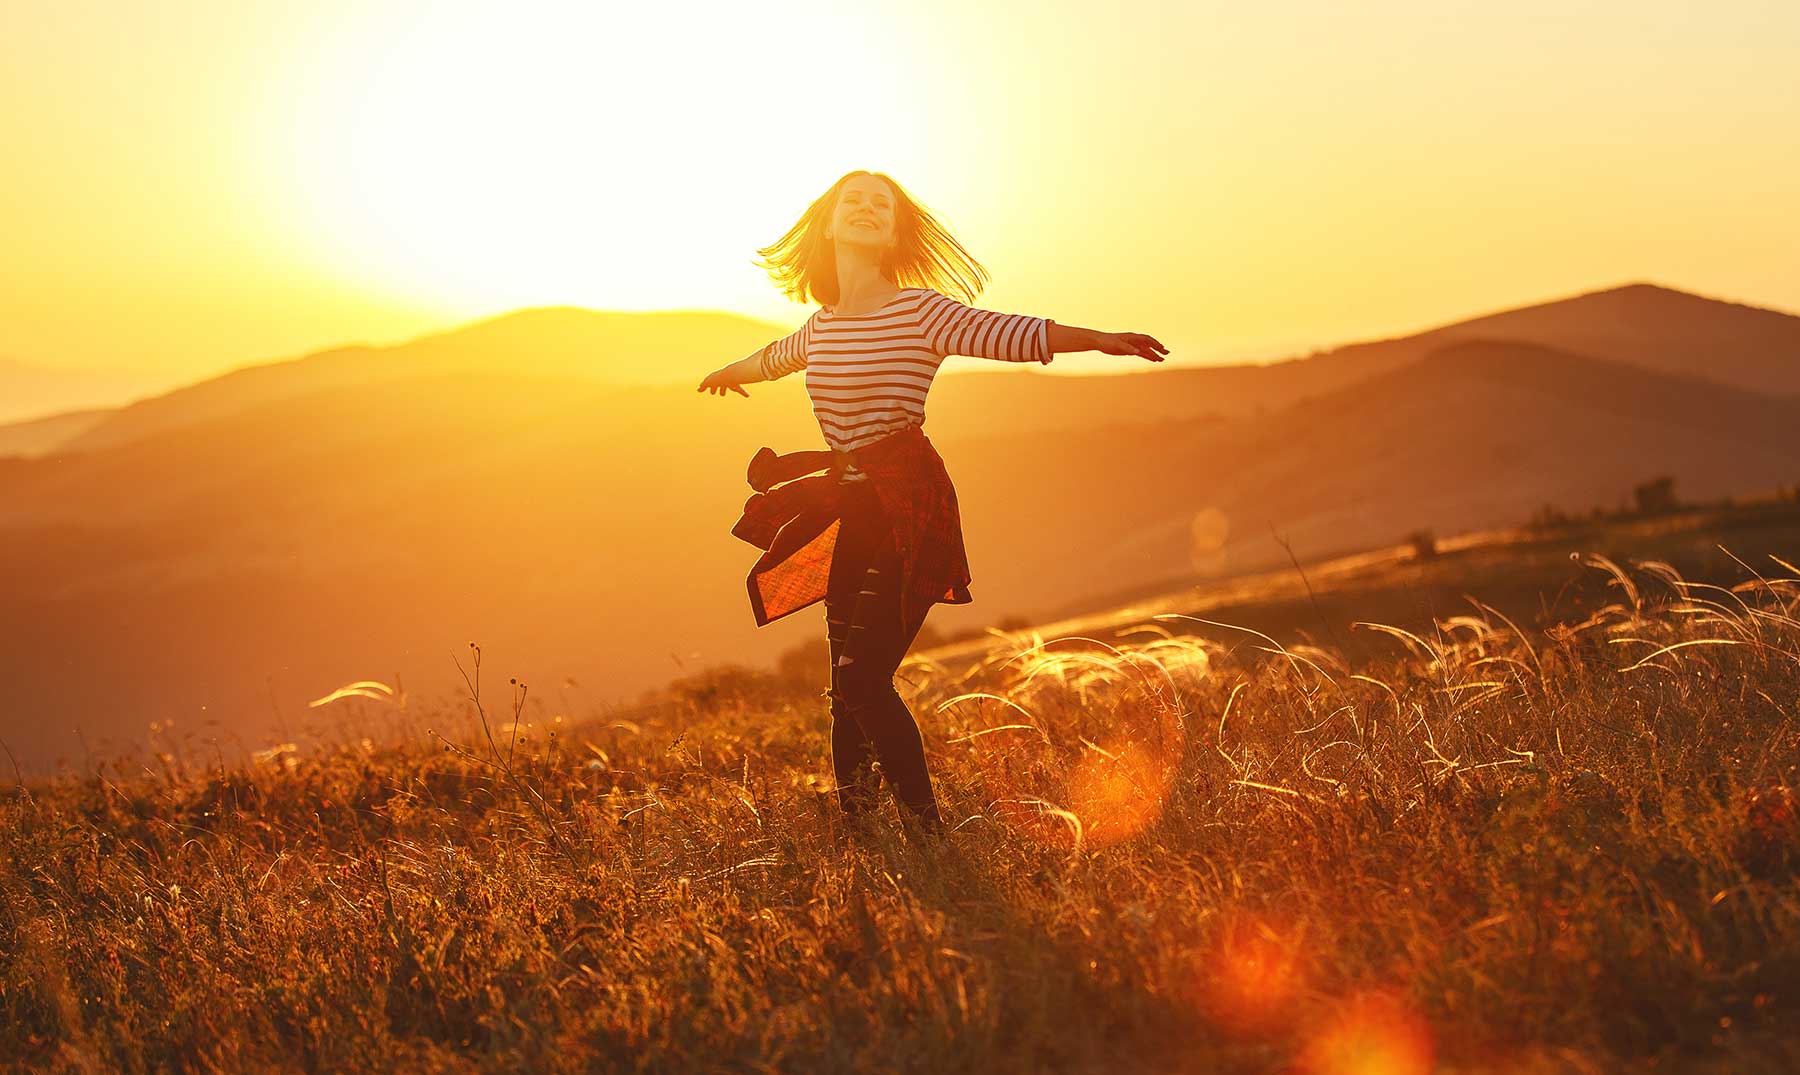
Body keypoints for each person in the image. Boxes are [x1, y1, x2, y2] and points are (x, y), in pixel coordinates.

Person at [697, 170, 1168, 835]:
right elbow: (775, 356)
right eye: (851, 201)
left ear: (893, 232)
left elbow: (1008, 331)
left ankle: (931, 839)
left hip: (907, 507)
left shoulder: (920, 312)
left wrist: (1097, 337)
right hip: (848, 509)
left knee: (863, 682)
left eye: (879, 205)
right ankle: (862, 838)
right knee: (845, 692)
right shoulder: (821, 326)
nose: (865, 209)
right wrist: (726, 374)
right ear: (828, 223)